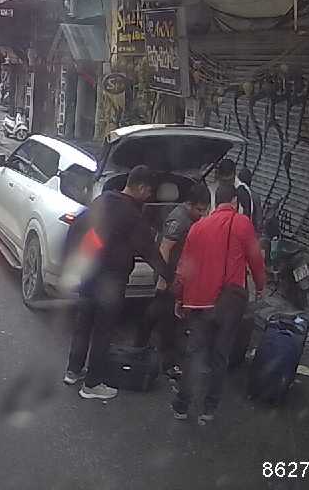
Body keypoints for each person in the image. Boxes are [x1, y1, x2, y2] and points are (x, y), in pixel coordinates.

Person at [64, 165, 173, 401]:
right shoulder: (132, 215)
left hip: (89, 275)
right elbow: (149, 249)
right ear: (141, 188)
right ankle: (92, 384)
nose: (149, 197)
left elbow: (77, 228)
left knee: (83, 324)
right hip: (111, 283)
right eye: (149, 192)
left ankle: (73, 371)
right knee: (103, 331)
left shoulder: (103, 200)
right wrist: (168, 275)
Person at [171, 184, 267, 425]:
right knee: (220, 355)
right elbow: (255, 258)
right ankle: (209, 409)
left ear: (216, 202)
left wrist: (179, 297)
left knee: (194, 354)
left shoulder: (197, 227)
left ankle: (182, 405)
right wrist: (261, 285)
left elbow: (184, 267)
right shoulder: (242, 223)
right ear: (234, 202)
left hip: (199, 302)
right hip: (228, 303)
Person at [135, 184, 211, 379]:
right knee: (170, 320)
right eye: (199, 209)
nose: (202, 214)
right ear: (189, 204)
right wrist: (163, 278)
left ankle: (140, 346)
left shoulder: (191, 218)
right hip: (170, 275)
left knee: (156, 313)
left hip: (178, 275)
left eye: (205, 210)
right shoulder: (179, 219)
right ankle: (167, 362)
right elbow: (165, 248)